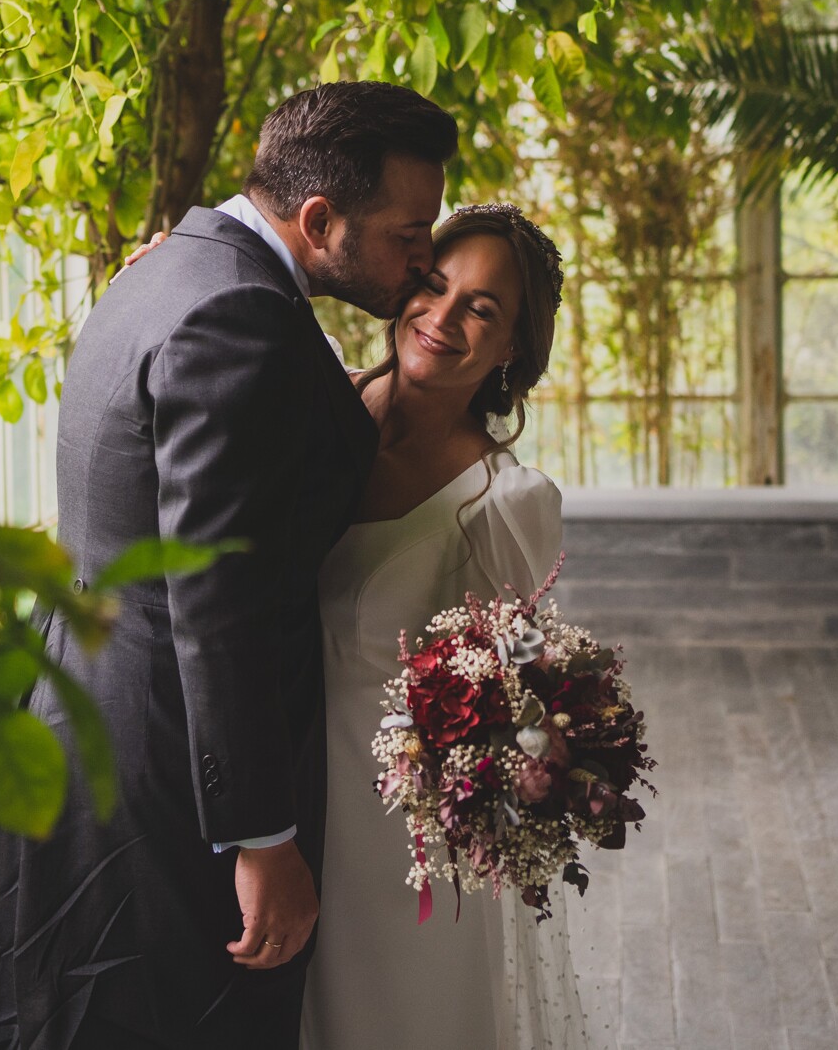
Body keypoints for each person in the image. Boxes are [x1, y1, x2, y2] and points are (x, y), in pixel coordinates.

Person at [0, 81, 454, 1050]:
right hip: (167, 771)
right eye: (406, 232)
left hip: (92, 715)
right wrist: (260, 835)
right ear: (316, 217)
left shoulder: (170, 269)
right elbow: (219, 600)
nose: (420, 258)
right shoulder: (237, 319)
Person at [299, 202, 595, 1050]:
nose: (444, 315)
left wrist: (544, 744)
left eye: (483, 308)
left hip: (402, 862)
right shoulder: (310, 406)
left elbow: (528, 682)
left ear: (511, 350)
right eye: (435, 284)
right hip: (274, 816)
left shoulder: (505, 503)